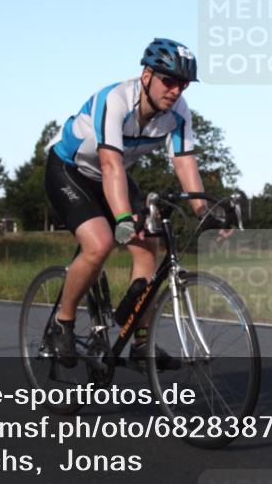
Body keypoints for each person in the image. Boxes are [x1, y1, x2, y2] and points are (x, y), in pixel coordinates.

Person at [44, 38, 225, 370]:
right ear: (146, 75)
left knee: (148, 244)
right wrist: (123, 217)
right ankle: (63, 322)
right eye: (168, 80)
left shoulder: (178, 113)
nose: (175, 90)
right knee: (100, 245)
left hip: (111, 175)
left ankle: (141, 343)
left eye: (182, 85)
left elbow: (184, 162)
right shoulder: (115, 100)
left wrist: (203, 209)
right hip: (70, 170)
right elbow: (110, 165)